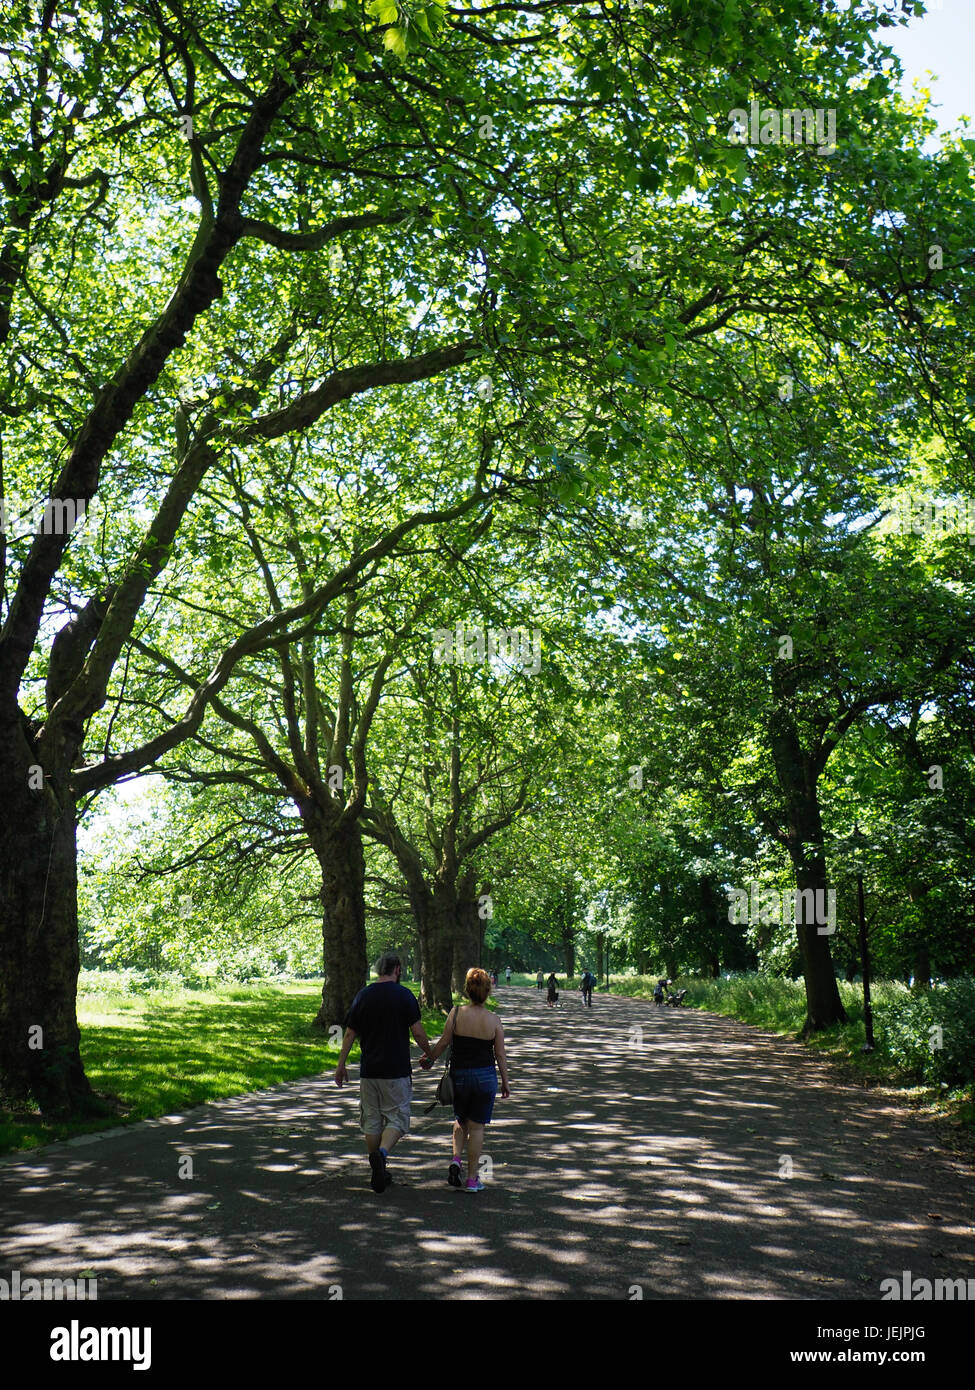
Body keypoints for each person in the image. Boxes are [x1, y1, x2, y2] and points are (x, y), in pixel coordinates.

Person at [335, 952, 433, 1193]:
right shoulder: (404, 995)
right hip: (396, 1070)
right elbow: (418, 1033)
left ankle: (377, 1169)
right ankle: (381, 1154)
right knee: (397, 1119)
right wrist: (430, 1053)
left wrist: (341, 1064)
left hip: (369, 1071)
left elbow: (349, 1033)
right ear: (397, 969)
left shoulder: (363, 996)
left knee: (372, 1119)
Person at [421, 967, 510, 1193]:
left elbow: (443, 1043)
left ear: (467, 990)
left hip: (459, 1076)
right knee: (477, 1127)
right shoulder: (494, 1020)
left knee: (460, 1120)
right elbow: (500, 1054)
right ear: (487, 991)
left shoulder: (456, 1013)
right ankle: (472, 1179)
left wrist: (430, 1058)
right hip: (484, 1077)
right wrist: (505, 1081)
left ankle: (455, 1159)